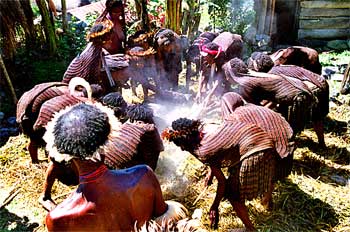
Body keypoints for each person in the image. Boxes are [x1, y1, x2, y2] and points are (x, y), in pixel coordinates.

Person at [44, 103, 187, 231]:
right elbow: (164, 221)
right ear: (108, 136)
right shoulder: (144, 176)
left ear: (62, 151)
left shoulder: (58, 219)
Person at [162, 117, 278, 231]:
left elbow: (222, 182)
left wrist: (215, 206)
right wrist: (211, 171)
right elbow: (220, 147)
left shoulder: (202, 151)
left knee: (233, 195)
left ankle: (250, 229)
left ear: (185, 142)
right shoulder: (208, 126)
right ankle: (268, 201)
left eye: (180, 145)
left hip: (256, 150)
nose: (182, 149)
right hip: (264, 139)